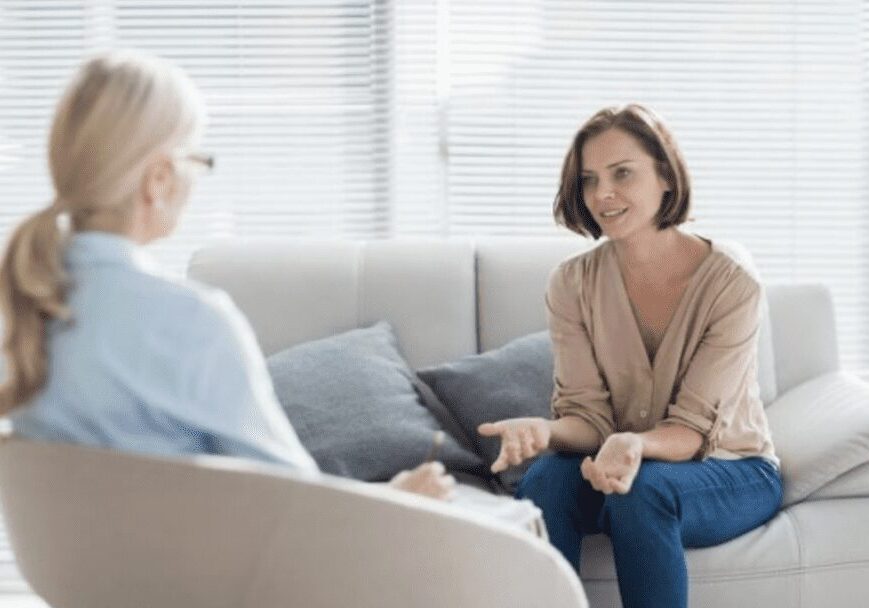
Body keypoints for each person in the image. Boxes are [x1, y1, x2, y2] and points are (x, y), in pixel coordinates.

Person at [0, 51, 454, 502]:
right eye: (197, 159)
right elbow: (295, 507)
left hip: (75, 575)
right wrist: (396, 500)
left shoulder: (23, 305)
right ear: (158, 180)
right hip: (200, 574)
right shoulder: (190, 322)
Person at [477, 104, 782, 607]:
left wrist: (632, 444)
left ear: (665, 174)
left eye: (622, 173)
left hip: (730, 469)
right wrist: (545, 431)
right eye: (588, 180)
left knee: (645, 489)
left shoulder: (732, 286)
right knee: (546, 478)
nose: (602, 195)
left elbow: (690, 431)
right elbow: (587, 418)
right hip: (620, 462)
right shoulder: (572, 283)